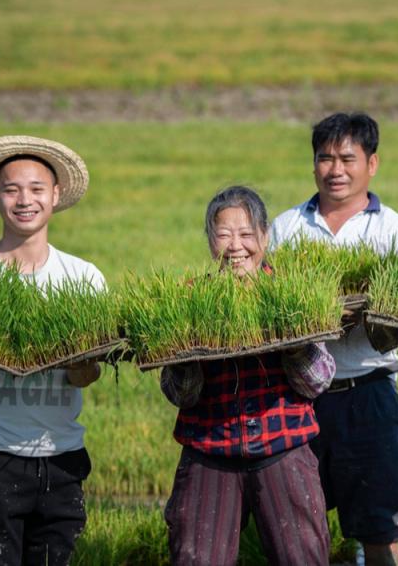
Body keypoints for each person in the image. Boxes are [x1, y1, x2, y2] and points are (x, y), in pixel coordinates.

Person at [0, 135, 105, 565]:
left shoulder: (83, 279)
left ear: (56, 194)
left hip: (63, 457)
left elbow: (86, 376)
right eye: (11, 189)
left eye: (36, 189)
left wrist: (82, 361)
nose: (24, 200)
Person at [269, 112, 398, 565]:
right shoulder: (285, 227)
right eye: (325, 158)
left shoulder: (393, 230)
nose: (335, 170)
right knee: (298, 529)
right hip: (298, 398)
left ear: (371, 164)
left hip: (369, 394)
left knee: (379, 529)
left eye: (347, 158)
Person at [161, 185, 334, 565]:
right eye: (223, 234)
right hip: (210, 449)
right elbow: (179, 394)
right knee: (195, 557)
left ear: (266, 237)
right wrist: (186, 355)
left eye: (246, 234)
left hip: (282, 446)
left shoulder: (292, 294)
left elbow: (319, 381)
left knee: (301, 557)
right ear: (210, 241)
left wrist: (294, 346)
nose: (235, 246)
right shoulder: (188, 299)